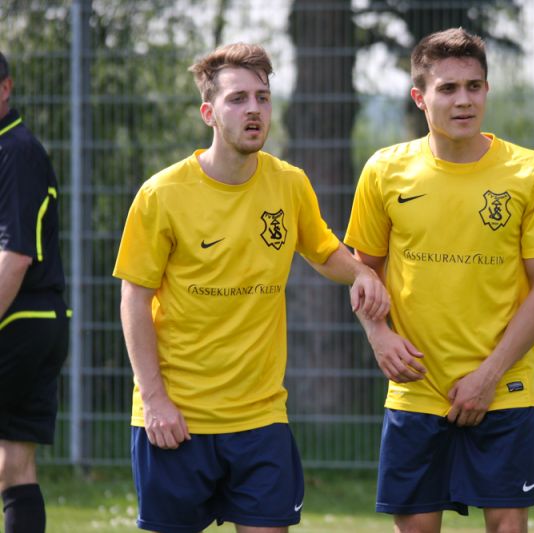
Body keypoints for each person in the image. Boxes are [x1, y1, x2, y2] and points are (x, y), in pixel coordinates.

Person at [113, 42, 389, 533]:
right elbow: (134, 298)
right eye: (237, 99)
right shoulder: (162, 194)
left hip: (261, 417)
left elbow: (323, 250)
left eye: (262, 97)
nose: (254, 109)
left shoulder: (290, 183)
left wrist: (361, 273)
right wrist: (154, 400)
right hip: (178, 416)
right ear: (209, 113)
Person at [345, 28, 534, 533]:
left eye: (474, 86)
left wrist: (488, 376)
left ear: (487, 90)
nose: (463, 100)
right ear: (420, 97)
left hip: (504, 386)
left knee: (508, 527)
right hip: (417, 387)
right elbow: (363, 272)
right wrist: (379, 335)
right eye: (447, 88)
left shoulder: (530, 172)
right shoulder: (384, 171)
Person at [0, 51, 70, 533]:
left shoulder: (14, 151)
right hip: (39, 319)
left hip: (20, 320)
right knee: (14, 462)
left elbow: (16, 256)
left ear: (5, 88)